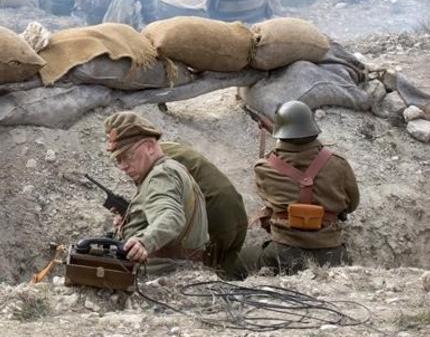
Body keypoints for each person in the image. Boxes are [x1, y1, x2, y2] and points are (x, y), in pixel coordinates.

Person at [252, 101, 359, 274]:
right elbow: (352, 204)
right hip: (331, 254)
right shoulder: (338, 164)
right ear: (312, 128)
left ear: (280, 132)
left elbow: (268, 201)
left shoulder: (264, 167)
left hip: (282, 252)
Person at [103, 112, 209, 271]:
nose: (123, 166)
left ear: (150, 147)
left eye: (128, 156)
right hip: (178, 266)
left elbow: (171, 216)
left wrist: (144, 241)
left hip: (161, 271)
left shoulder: (161, 175)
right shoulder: (166, 170)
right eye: (119, 160)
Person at [159, 140, 250, 280]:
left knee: (201, 278)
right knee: (227, 277)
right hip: (238, 212)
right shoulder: (172, 149)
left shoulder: (156, 162)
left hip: (215, 214)